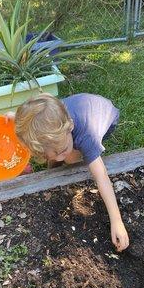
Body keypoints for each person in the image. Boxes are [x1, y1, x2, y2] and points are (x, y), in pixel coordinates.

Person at [9, 92, 129, 252]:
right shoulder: (52, 119)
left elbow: (102, 177)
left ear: (70, 127)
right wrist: (14, 119)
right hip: (81, 108)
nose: (59, 156)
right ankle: (57, 158)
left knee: (72, 159)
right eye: (52, 154)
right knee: (63, 155)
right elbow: (31, 114)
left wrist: (117, 221)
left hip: (106, 115)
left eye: (62, 149)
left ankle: (71, 156)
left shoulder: (87, 136)